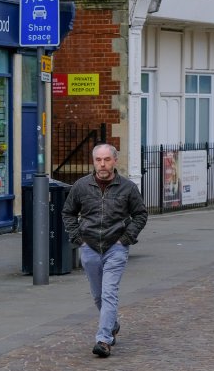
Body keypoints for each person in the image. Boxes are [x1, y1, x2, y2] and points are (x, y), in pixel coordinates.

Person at [61, 143, 148, 358]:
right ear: (93, 161)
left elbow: (140, 214)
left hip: (115, 247)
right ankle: (111, 324)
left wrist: (125, 239)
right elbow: (68, 213)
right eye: (98, 160)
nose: (102, 164)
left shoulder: (127, 188)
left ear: (114, 161)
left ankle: (103, 339)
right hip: (89, 247)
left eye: (106, 159)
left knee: (109, 292)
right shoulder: (81, 186)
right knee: (98, 295)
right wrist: (78, 238)